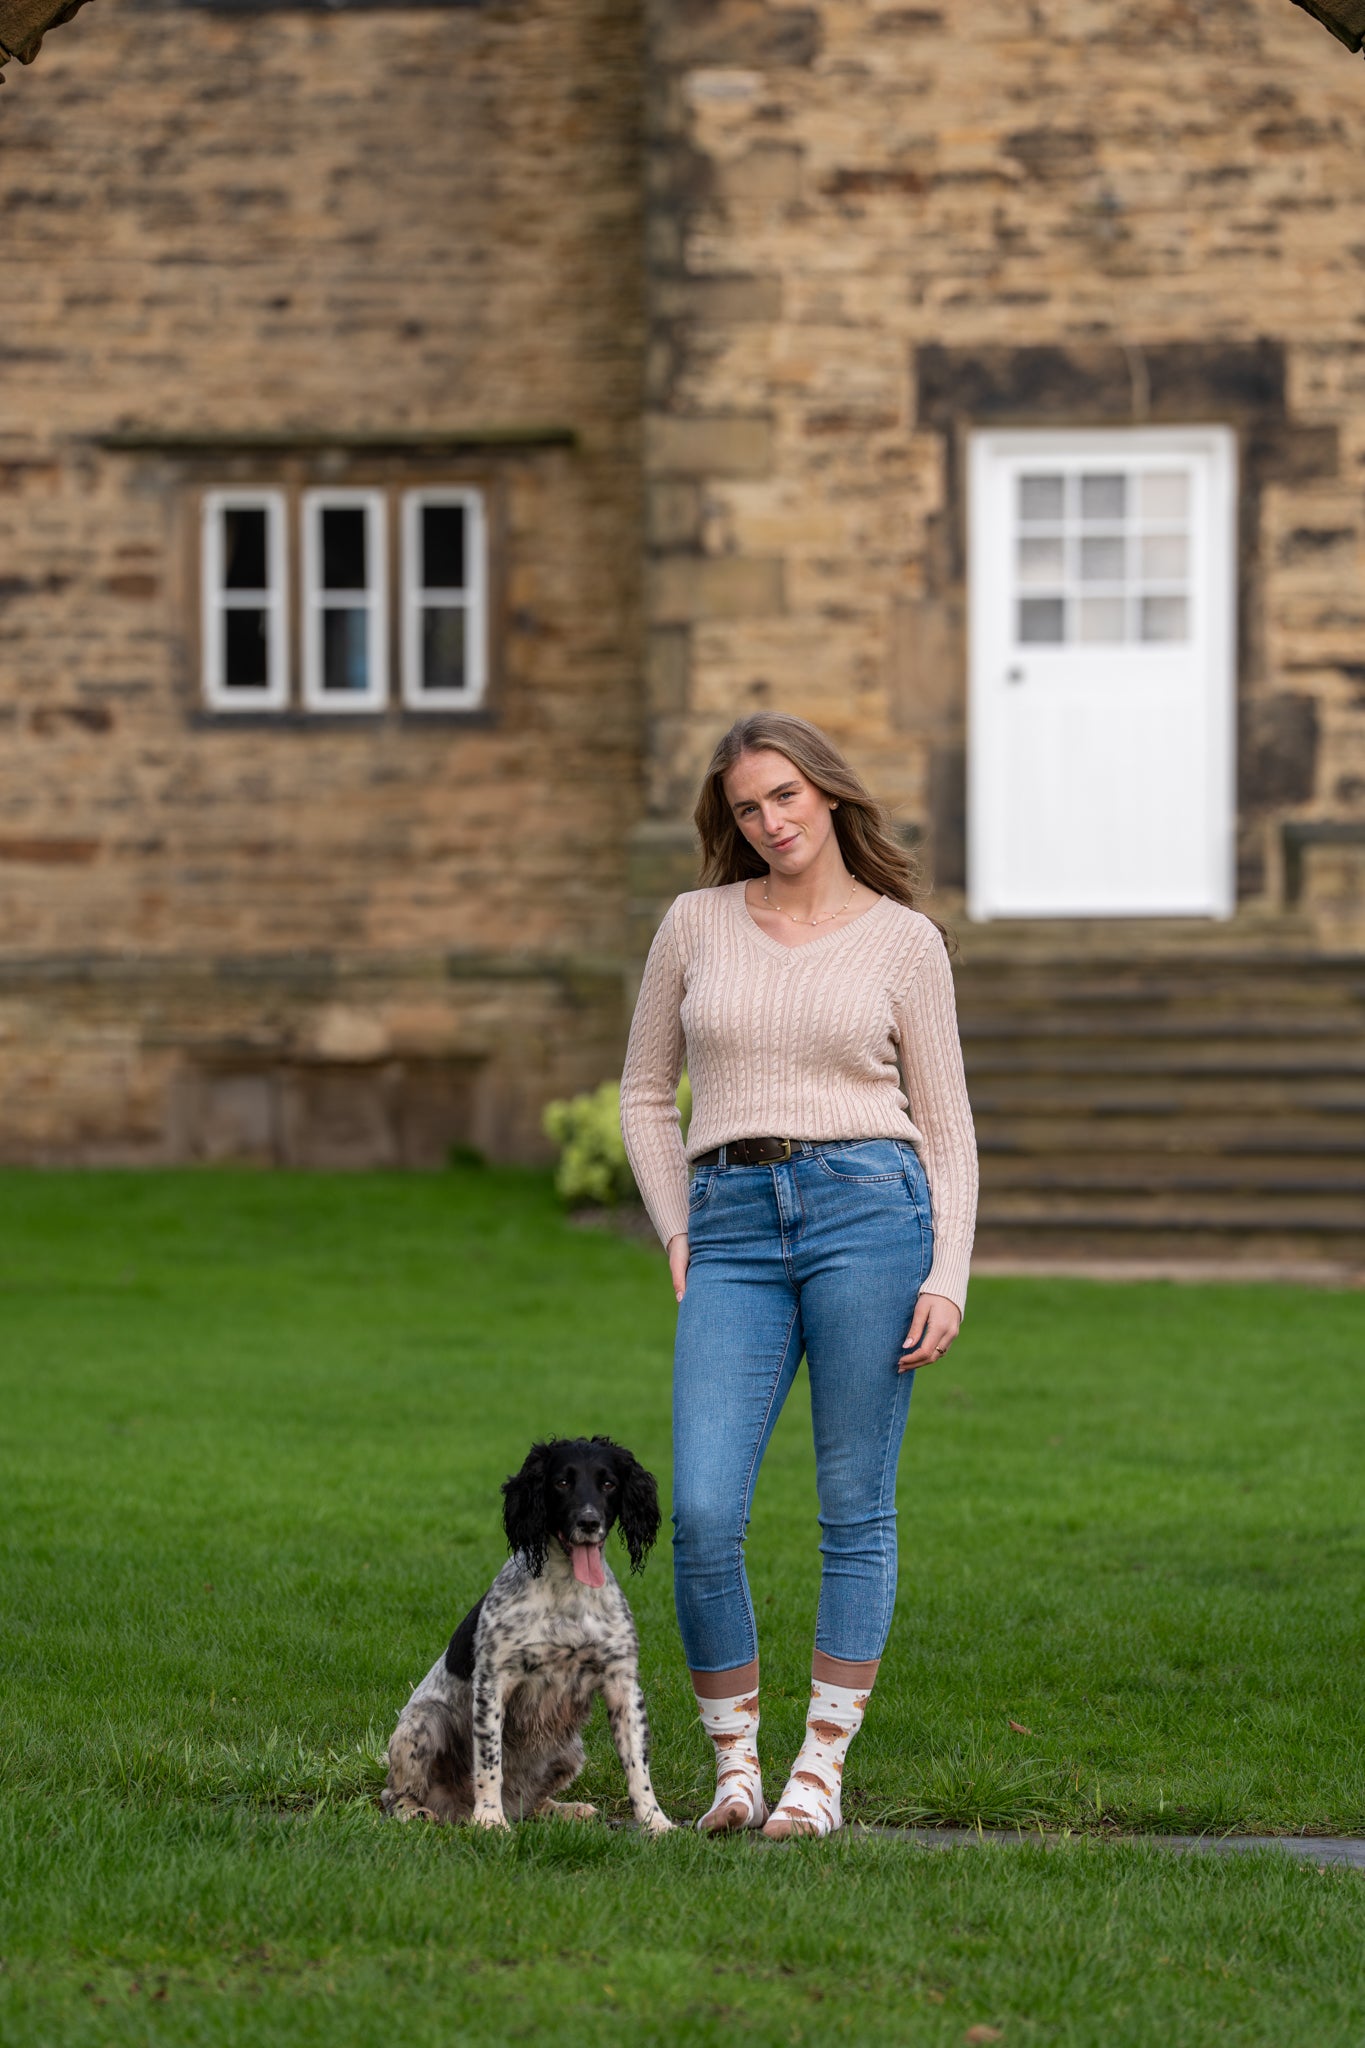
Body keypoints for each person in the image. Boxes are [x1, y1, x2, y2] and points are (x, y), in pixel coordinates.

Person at [620, 711, 977, 1839]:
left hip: (872, 1214)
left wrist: (950, 1272)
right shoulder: (693, 923)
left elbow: (949, 1126)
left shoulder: (905, 942)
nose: (769, 821)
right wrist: (678, 1227)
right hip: (729, 1220)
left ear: (827, 794)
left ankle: (817, 1767)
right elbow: (642, 1091)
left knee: (852, 1505)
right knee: (708, 1508)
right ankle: (735, 1768)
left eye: (784, 795)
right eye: (746, 807)